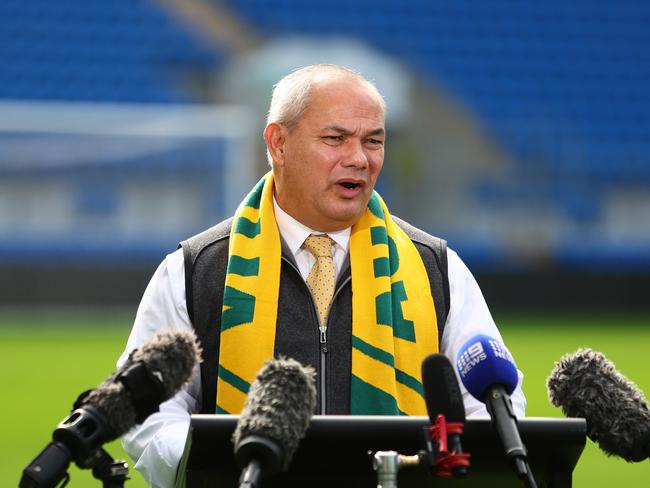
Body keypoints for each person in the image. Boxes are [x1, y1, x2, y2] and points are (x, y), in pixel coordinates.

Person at [118, 64, 526, 487]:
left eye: (374, 141)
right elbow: (149, 415)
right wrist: (223, 462)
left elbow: (493, 408)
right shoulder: (195, 269)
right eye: (335, 138)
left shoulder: (438, 269)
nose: (359, 159)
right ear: (278, 143)